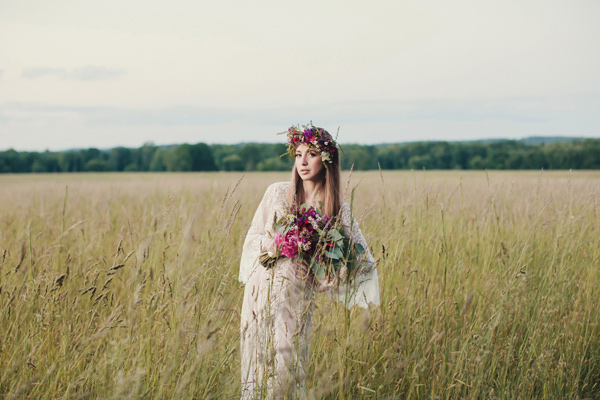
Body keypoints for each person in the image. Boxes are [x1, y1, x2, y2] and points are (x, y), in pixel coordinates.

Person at [239, 124, 380, 399]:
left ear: (326, 160)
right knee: (256, 366)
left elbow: (361, 262)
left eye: (311, 154)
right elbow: (252, 239)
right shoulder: (277, 193)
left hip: (295, 299)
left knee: (285, 370)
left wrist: (320, 279)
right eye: (298, 154)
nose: (302, 162)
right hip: (260, 290)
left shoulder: (336, 209)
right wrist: (275, 244)